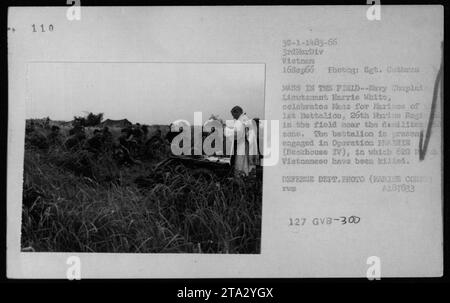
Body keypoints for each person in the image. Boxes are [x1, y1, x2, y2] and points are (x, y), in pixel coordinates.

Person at [225, 106, 259, 176]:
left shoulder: (241, 121)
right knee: (247, 164)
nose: (233, 117)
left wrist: (226, 131)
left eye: (233, 115)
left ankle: (241, 181)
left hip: (242, 147)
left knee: (241, 165)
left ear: (237, 112)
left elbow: (237, 134)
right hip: (247, 146)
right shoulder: (245, 119)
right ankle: (247, 179)